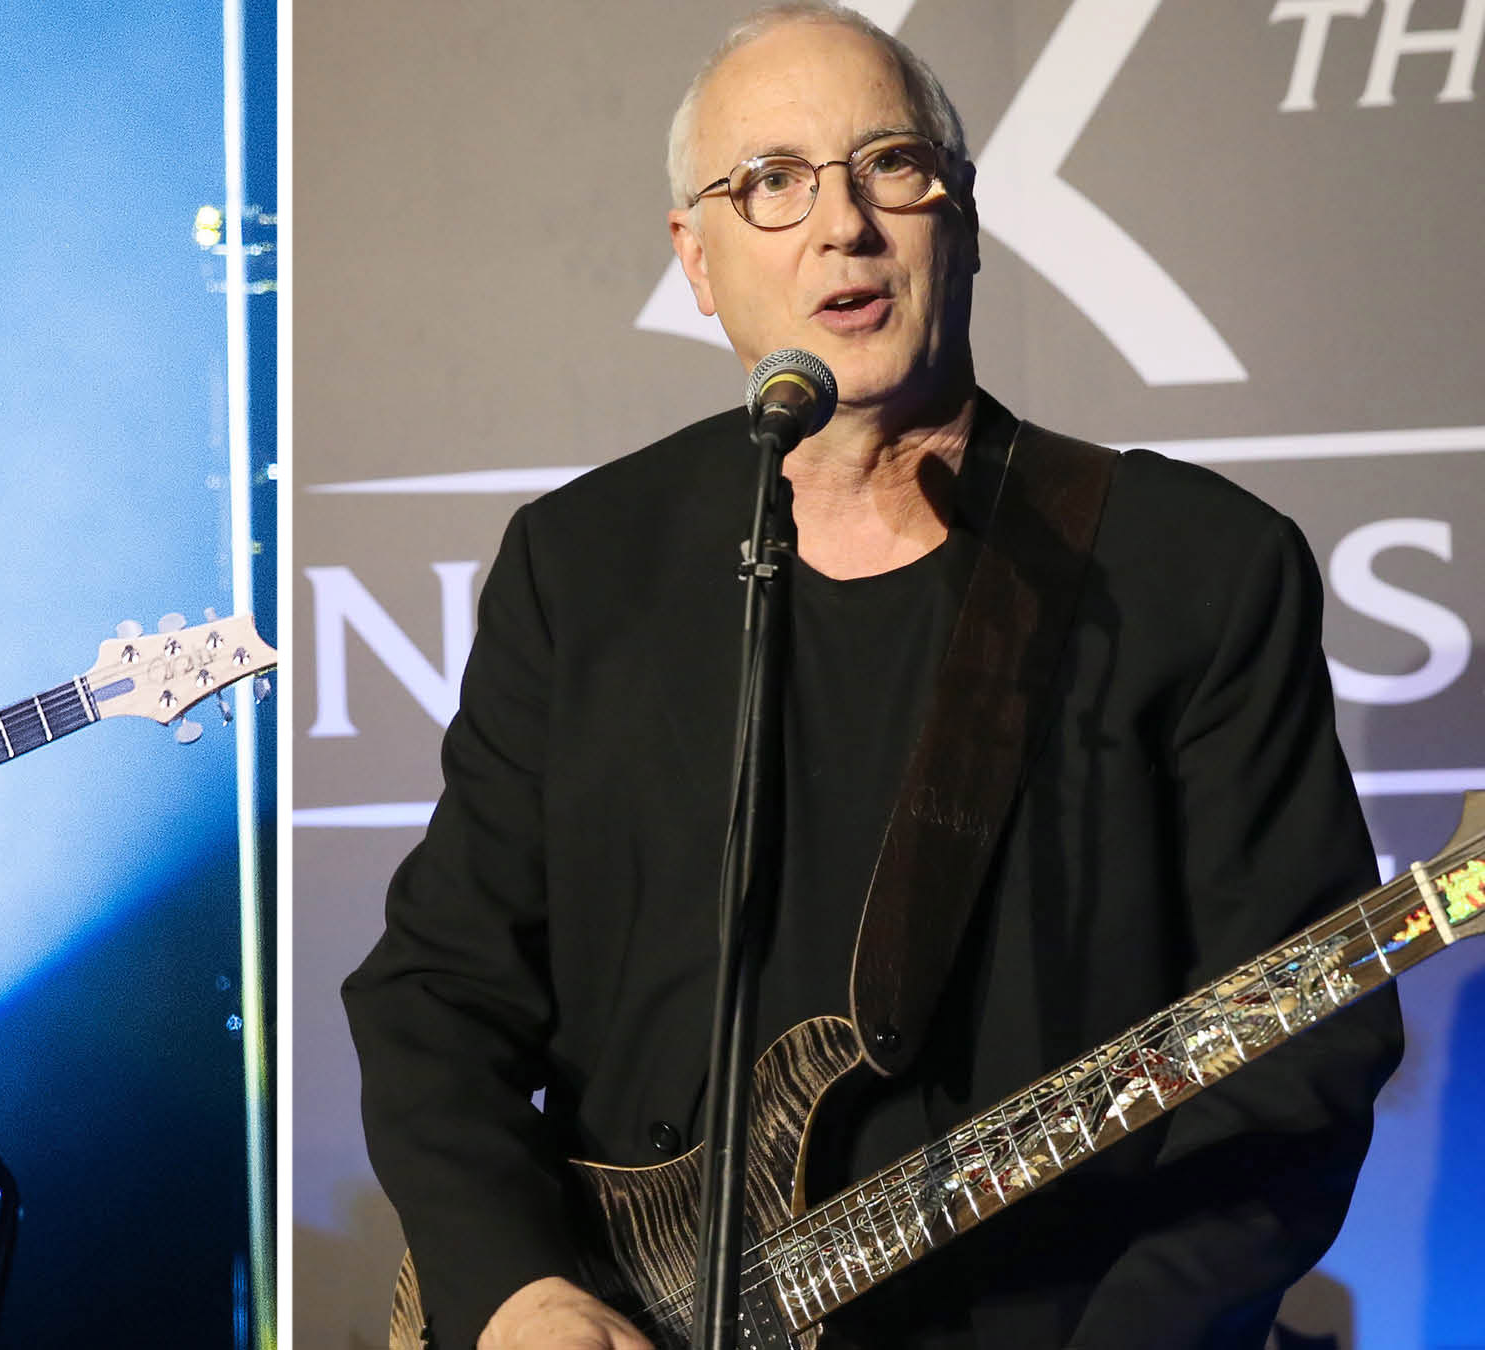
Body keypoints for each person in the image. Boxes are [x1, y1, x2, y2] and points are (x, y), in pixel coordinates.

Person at [340, 5, 1403, 1348]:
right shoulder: (583, 563)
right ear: (698, 261)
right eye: (771, 183)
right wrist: (516, 1288)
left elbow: (1300, 1051)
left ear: (958, 221)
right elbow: (439, 986)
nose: (841, 224)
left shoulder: (1194, 568)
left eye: (889, 165)